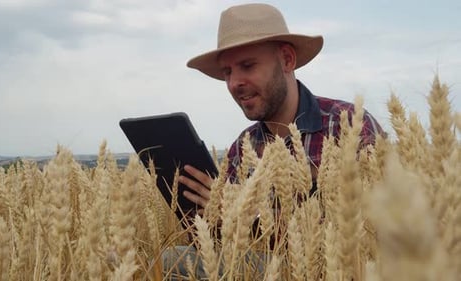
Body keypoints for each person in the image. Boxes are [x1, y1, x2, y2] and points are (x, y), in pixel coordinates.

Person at [163, 3, 385, 279]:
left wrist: (240, 215)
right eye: (227, 72)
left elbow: (377, 229)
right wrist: (210, 221)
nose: (234, 83)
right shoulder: (241, 150)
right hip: (263, 271)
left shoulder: (349, 125)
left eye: (247, 66)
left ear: (287, 60)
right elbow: (230, 250)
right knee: (174, 259)